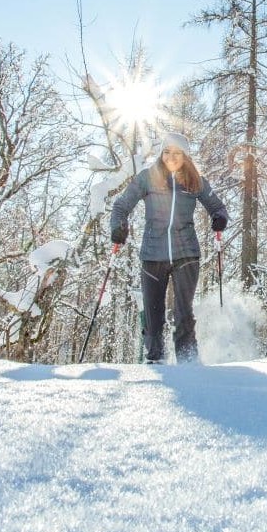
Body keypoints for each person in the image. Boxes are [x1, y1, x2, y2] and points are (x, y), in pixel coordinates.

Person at [109, 133, 229, 363]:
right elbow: (121, 206)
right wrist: (118, 227)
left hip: (187, 254)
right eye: (166, 152)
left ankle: (187, 361)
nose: (171, 157)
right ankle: (155, 359)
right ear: (161, 153)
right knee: (154, 315)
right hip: (153, 254)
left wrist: (219, 218)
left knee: (183, 313)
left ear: (185, 156)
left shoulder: (197, 181)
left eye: (176, 153)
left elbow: (218, 207)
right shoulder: (147, 178)